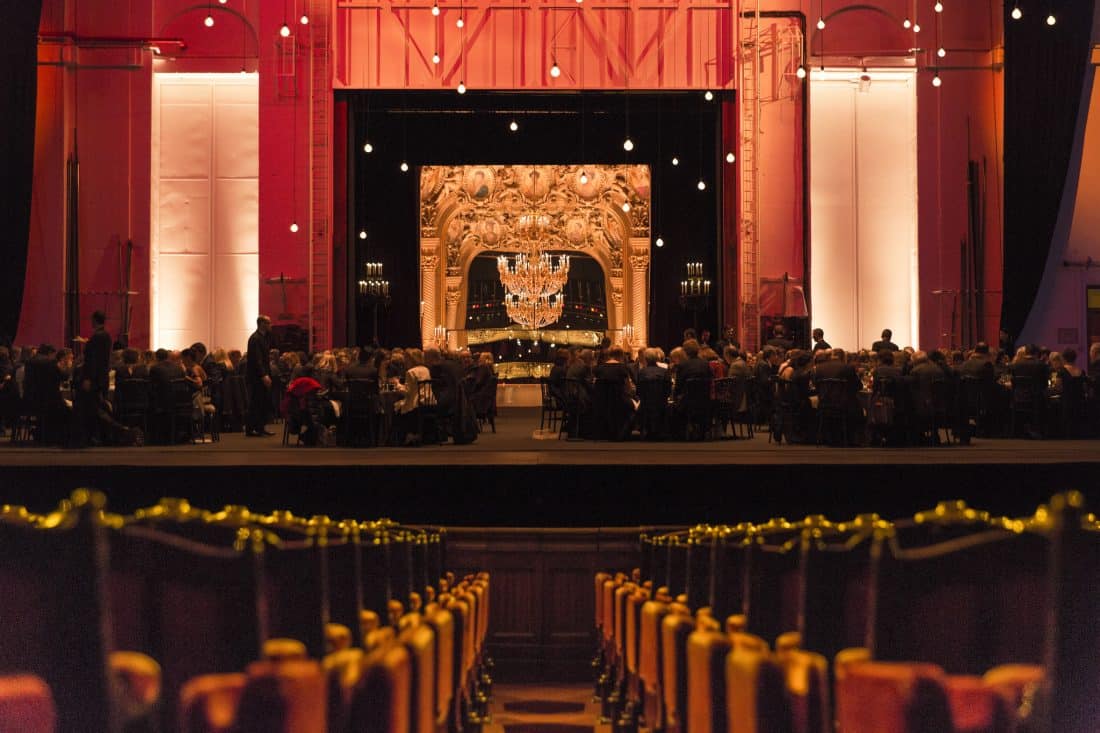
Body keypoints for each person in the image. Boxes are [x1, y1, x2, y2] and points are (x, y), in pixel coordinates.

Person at [245, 315, 275, 437]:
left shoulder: (263, 337)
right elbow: (257, 359)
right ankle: (252, 428)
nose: (270, 325)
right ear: (262, 323)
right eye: (268, 323)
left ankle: (260, 427)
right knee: (256, 402)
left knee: (262, 402)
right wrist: (264, 375)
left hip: (261, 375)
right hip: (257, 376)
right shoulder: (255, 338)